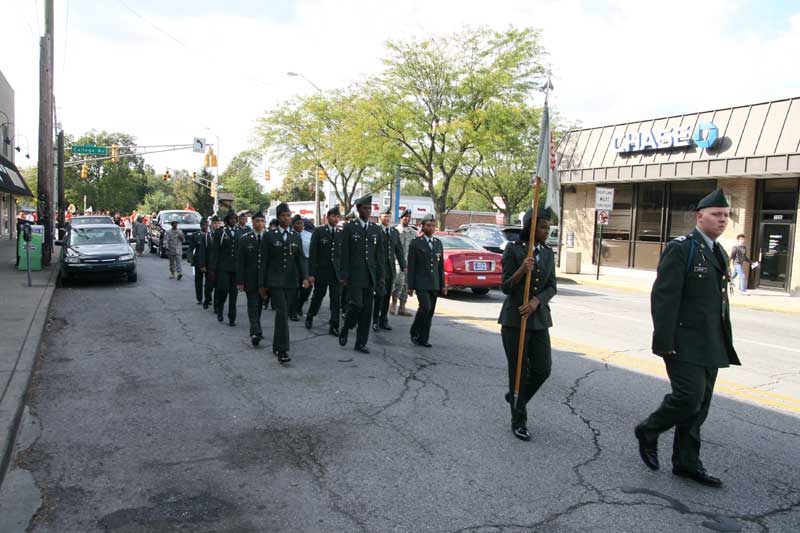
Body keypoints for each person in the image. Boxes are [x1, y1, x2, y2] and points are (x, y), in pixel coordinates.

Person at [635, 188, 740, 488]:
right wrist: (663, 341)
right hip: (682, 341)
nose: (722, 220)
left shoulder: (718, 251)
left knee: (700, 406)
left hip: (711, 341)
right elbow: (664, 297)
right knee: (689, 396)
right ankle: (648, 430)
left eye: (725, 215)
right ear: (699, 217)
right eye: (716, 215)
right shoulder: (682, 248)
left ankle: (686, 461)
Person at [498, 207, 556, 442]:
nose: (547, 231)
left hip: (539, 319)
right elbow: (505, 287)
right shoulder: (514, 250)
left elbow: (552, 285)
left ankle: (515, 398)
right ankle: (518, 420)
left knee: (543, 369)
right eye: (543, 227)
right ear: (531, 228)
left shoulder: (549, 253)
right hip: (514, 320)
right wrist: (522, 269)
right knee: (519, 372)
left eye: (548, 227)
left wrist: (536, 301)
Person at [259, 203, 309, 363]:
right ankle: (283, 350)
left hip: (291, 281)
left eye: (288, 216)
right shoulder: (269, 236)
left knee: (284, 314)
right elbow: (264, 262)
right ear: (278, 217)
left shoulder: (295, 236)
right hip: (275, 281)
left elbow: (300, 259)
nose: (286, 219)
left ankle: (276, 345)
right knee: (281, 314)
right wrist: (262, 284)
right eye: (283, 216)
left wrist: (306, 277)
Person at [338, 195, 384, 353]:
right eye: (365, 208)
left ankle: (361, 343)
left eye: (370, 208)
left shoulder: (375, 229)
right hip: (355, 276)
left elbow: (379, 256)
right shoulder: (350, 228)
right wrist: (343, 275)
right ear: (358, 210)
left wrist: (381, 277)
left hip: (370, 276)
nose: (368, 211)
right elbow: (344, 253)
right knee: (356, 305)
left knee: (367, 311)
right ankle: (346, 327)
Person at [407, 214, 446, 348]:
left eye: (433, 225)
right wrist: (410, 286)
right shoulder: (416, 243)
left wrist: (443, 285)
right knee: (425, 307)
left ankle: (423, 338)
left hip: (434, 283)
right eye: (428, 225)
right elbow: (411, 266)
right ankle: (415, 330)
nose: (431, 228)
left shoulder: (438, 243)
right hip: (421, 283)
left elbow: (441, 267)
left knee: (430, 312)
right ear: (422, 226)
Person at [306, 206, 342, 335]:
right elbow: (313, 253)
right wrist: (311, 274)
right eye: (334, 216)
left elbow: (341, 255)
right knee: (317, 297)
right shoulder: (319, 231)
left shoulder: (340, 233)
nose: (336, 219)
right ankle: (310, 316)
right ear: (328, 217)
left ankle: (334, 325)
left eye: (338, 217)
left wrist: (343, 273)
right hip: (321, 272)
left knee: (336, 300)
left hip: (335, 273)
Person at [373, 206, 407, 331]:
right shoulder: (375, 230)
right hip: (378, 269)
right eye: (385, 216)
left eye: (389, 216)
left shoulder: (394, 232)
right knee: (379, 295)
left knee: (387, 295)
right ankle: (375, 320)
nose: (387, 219)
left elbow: (399, 250)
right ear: (380, 217)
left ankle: (384, 319)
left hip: (390, 269)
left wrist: (403, 266)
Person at [237, 211, 268, 346]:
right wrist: (240, 281)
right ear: (252, 222)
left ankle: (257, 327)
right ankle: (255, 332)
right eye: (257, 221)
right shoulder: (245, 239)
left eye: (262, 221)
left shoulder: (269, 237)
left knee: (260, 305)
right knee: (252, 304)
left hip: (265, 280)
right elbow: (240, 262)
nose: (259, 223)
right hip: (250, 278)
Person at [214, 210, 242, 326]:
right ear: (226, 220)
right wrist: (214, 268)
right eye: (231, 219)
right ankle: (220, 309)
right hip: (224, 267)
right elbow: (215, 251)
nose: (233, 221)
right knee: (223, 290)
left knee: (234, 294)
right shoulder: (221, 232)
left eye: (235, 219)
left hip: (235, 268)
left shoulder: (240, 233)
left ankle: (232, 317)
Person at [391, 209, 416, 316]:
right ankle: (393, 303)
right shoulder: (395, 231)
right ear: (401, 218)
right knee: (398, 283)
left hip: (409, 262)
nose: (407, 219)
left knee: (406, 284)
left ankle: (402, 306)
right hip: (397, 261)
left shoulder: (413, 232)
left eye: (409, 217)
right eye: (405, 217)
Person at [290, 215, 313, 320]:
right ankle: (293, 311)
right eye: (297, 223)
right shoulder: (290, 235)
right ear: (293, 224)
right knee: (295, 289)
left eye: (301, 223)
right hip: (293, 265)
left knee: (308, 287)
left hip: (306, 263)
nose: (300, 225)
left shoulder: (309, 235)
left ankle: (299, 305)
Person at [190, 219, 213, 307]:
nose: (205, 227)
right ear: (200, 226)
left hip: (209, 261)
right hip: (198, 261)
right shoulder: (196, 235)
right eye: (203, 225)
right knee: (198, 280)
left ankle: (208, 298)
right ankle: (199, 298)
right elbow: (191, 248)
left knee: (209, 281)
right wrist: (191, 259)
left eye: (206, 225)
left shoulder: (211, 235)